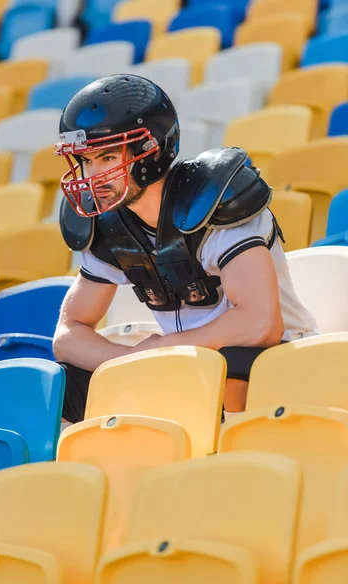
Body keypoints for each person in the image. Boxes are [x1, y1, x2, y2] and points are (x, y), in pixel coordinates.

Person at [53, 73, 318, 425]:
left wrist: (165, 347)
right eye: (87, 161)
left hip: (278, 362)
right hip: (185, 367)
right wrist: (129, 360)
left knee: (233, 364)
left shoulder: (216, 200)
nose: (92, 175)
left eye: (105, 158)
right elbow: (69, 333)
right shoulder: (110, 224)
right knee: (62, 388)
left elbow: (261, 325)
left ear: (150, 150)